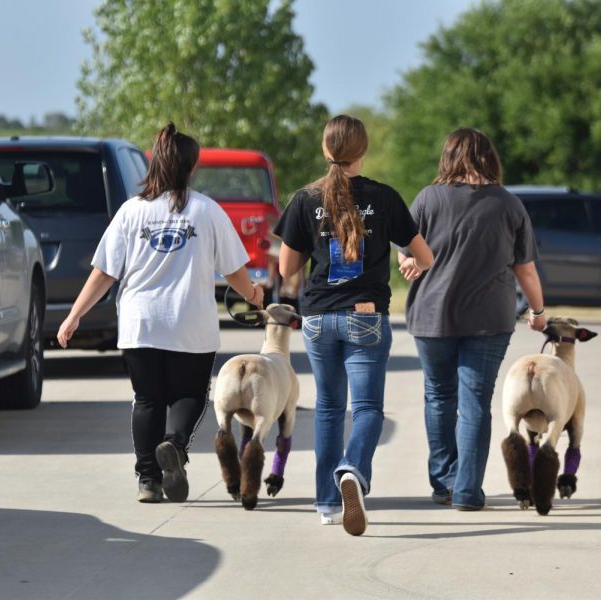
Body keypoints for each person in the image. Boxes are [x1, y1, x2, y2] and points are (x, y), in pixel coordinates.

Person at [56, 123, 264, 504]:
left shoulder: (130, 212)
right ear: (190, 167)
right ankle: (175, 444)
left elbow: (104, 272)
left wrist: (74, 315)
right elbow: (233, 270)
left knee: (147, 399)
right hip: (191, 323)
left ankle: (148, 481)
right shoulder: (207, 211)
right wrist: (253, 294)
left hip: (140, 322)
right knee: (191, 395)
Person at [275, 114, 434, 536]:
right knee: (366, 409)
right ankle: (353, 469)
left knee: (328, 409)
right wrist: (406, 263)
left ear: (326, 150)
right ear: (361, 152)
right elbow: (426, 256)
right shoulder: (384, 198)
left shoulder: (305, 199)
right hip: (366, 315)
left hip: (318, 317)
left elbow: (287, 267)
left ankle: (327, 503)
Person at [398, 127, 545, 511]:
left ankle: (444, 481)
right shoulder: (509, 204)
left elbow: (403, 250)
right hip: (489, 319)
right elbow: (525, 270)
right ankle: (466, 491)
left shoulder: (428, 199)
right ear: (488, 157)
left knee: (438, 396)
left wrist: (409, 264)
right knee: (475, 403)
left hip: (431, 316)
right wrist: (539, 311)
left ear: (448, 156)